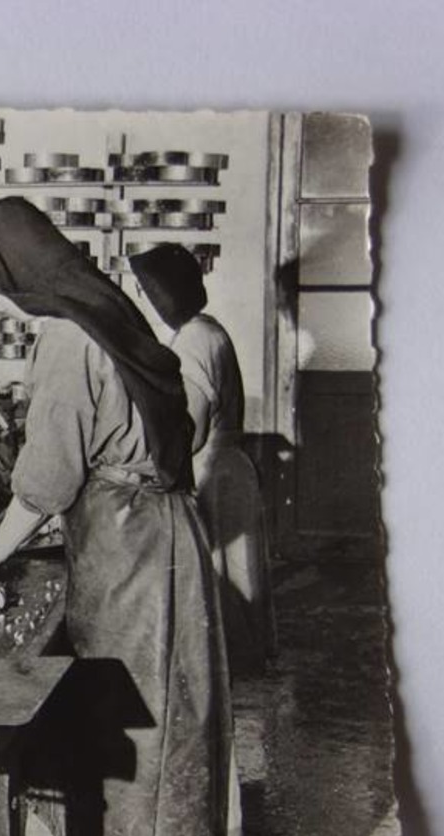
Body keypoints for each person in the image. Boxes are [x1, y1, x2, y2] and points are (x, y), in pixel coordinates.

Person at [0, 199, 237, 836]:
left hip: (133, 550)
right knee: (137, 726)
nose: (4, 299)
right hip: (155, 533)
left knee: (144, 737)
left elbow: (47, 479)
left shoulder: (67, 336)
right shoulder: (107, 306)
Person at [130, 244, 274, 676]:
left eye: (144, 291)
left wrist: (150, 467)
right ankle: (242, 662)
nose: (142, 299)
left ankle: (226, 672)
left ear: (163, 295)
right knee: (236, 572)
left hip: (212, 471)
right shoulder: (210, 329)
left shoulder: (193, 340)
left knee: (218, 573)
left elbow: (189, 433)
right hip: (232, 466)